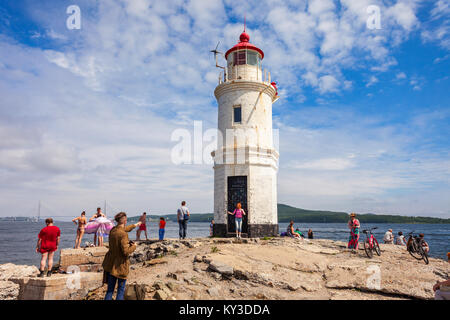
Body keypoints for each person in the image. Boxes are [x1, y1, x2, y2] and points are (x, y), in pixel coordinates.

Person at [102, 212, 141, 300]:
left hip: (110, 264)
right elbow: (126, 252)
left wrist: (135, 225)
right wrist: (134, 246)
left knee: (110, 290)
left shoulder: (113, 230)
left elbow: (124, 229)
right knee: (120, 290)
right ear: (125, 220)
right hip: (120, 266)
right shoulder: (123, 234)